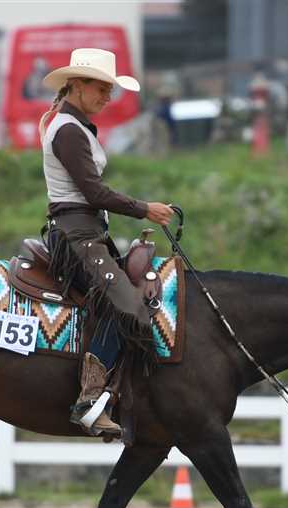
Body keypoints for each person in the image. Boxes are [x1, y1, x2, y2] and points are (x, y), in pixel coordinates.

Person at [37, 47, 174, 439]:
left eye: (110, 90)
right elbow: (94, 193)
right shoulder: (68, 130)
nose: (108, 97)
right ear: (77, 86)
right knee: (126, 304)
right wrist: (144, 209)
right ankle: (89, 399)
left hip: (86, 233)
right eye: (101, 88)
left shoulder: (73, 127)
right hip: (76, 236)